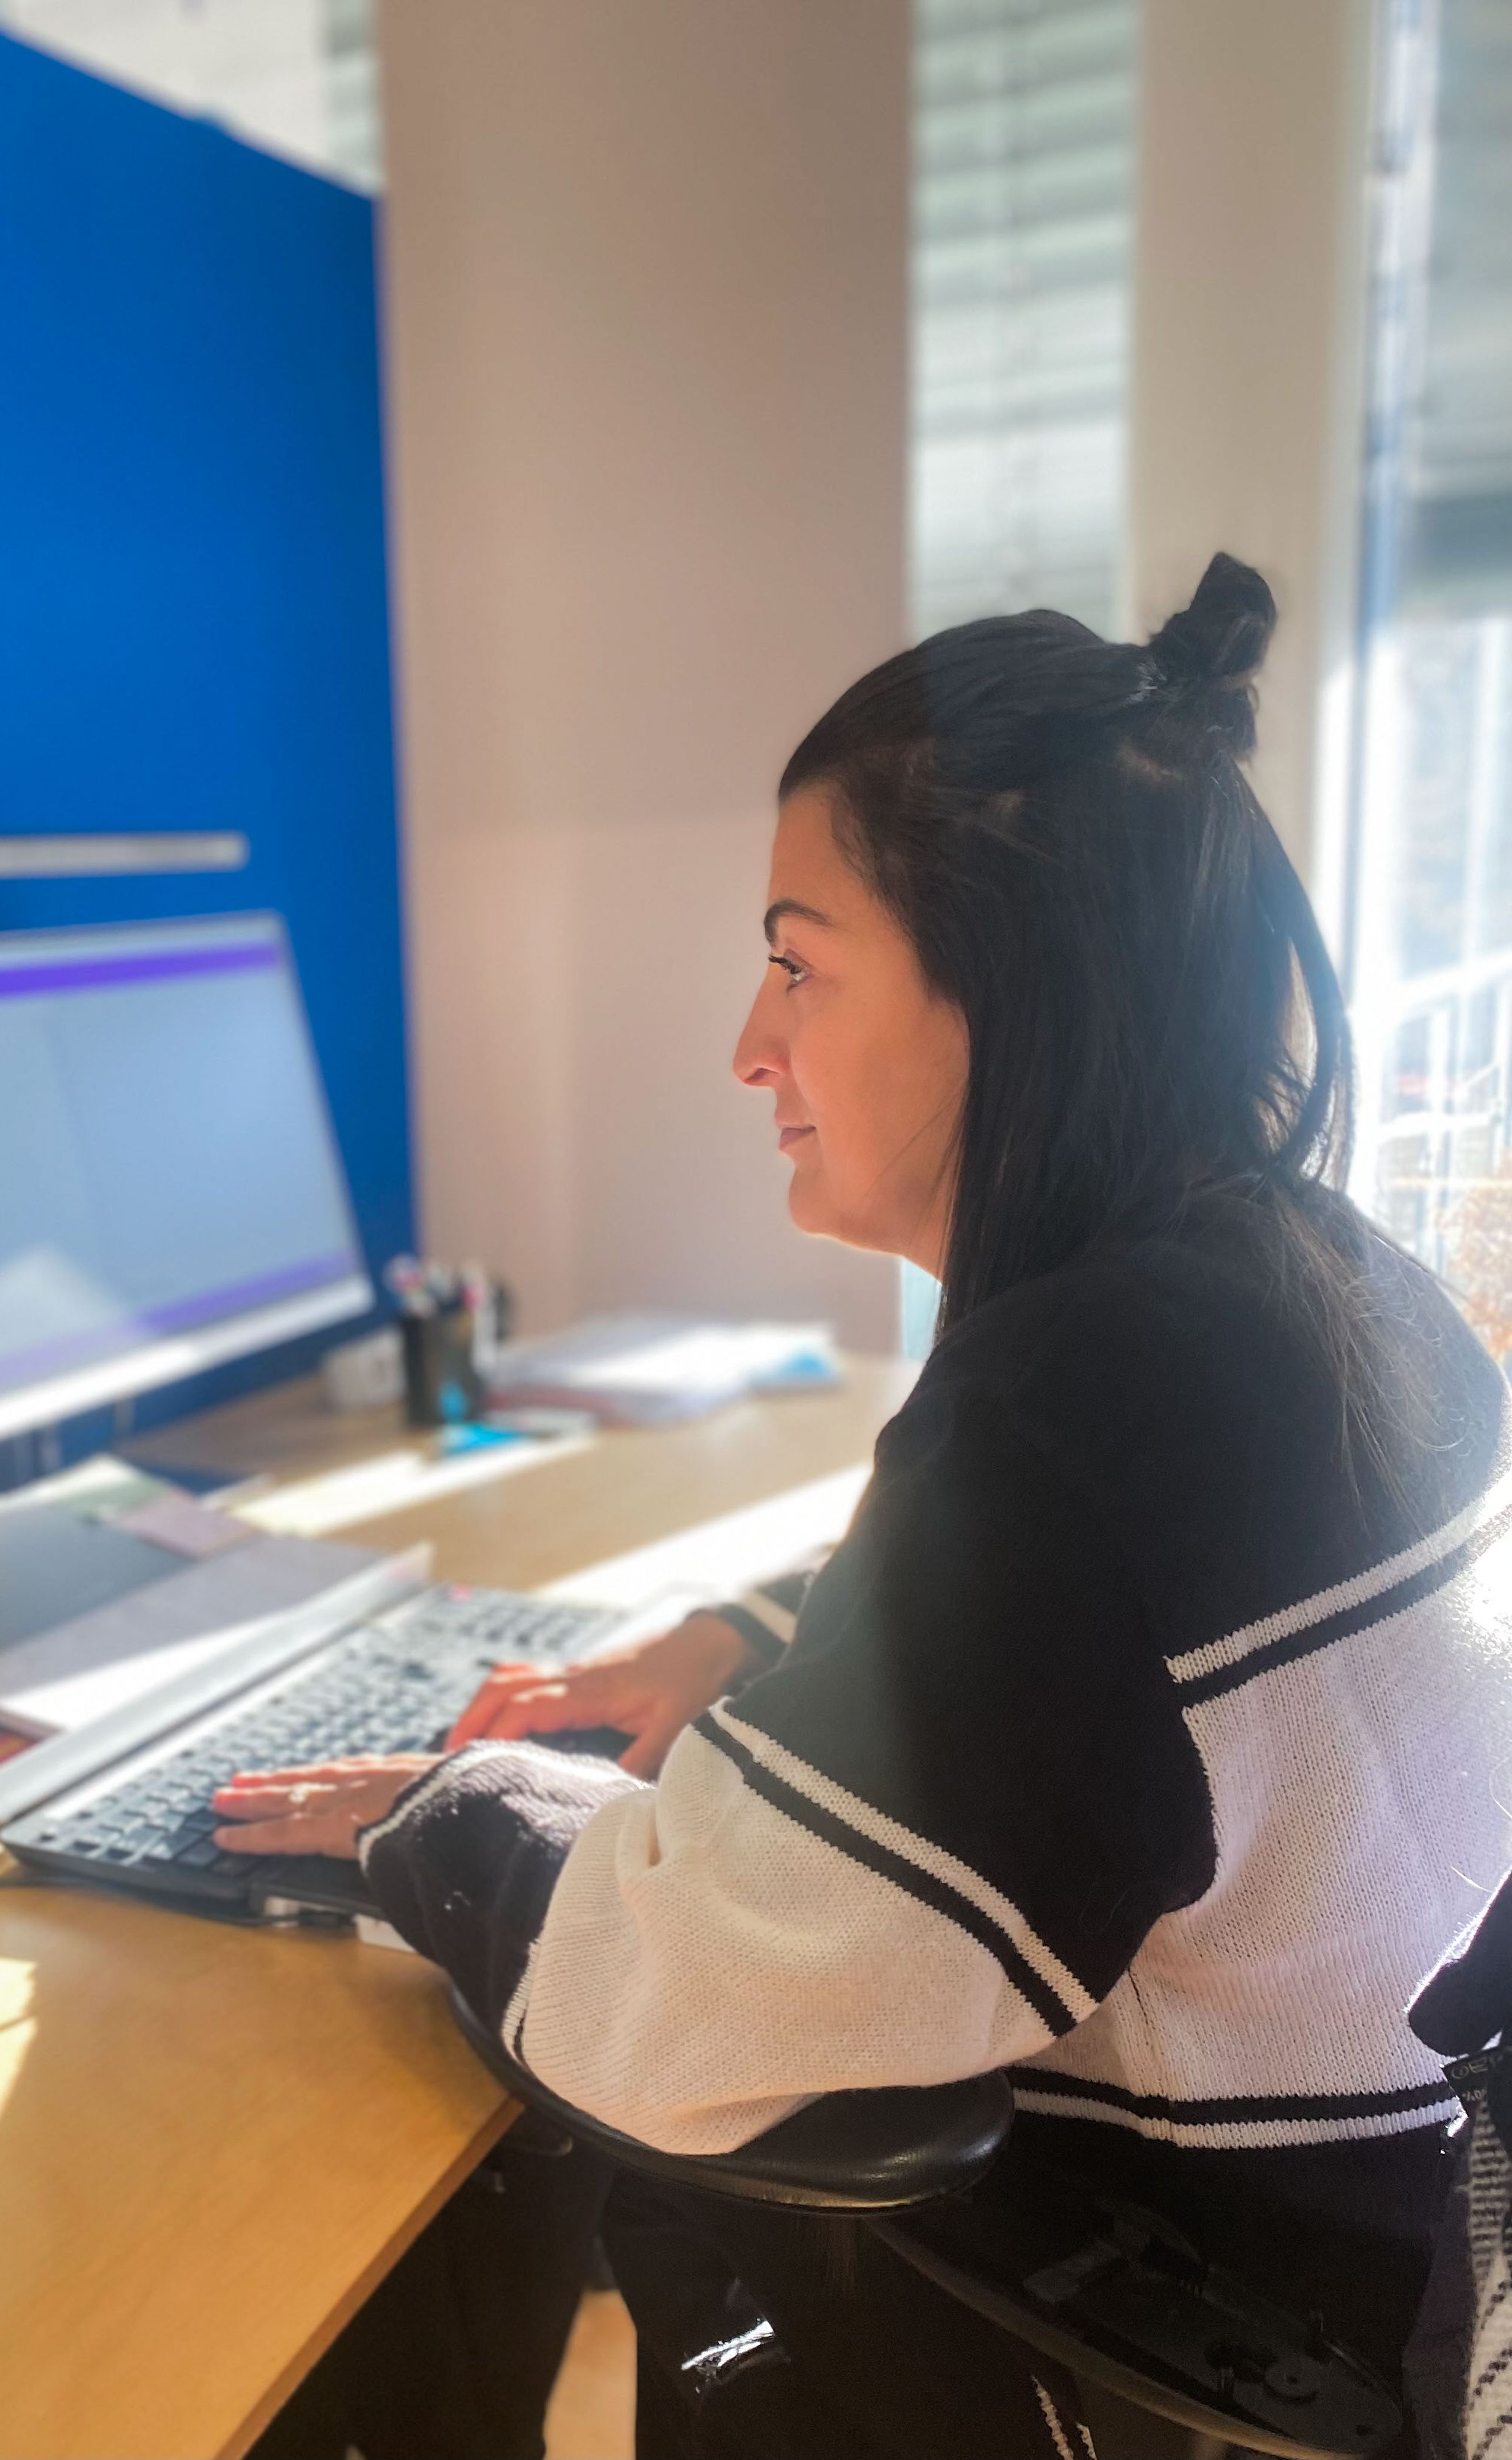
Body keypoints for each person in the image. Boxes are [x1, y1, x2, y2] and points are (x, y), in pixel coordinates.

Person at [214, 555, 1512, 2456]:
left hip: (1216, 2313)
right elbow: (1119, 1665)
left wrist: (447, 1811)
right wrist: (757, 1637)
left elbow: (685, 2012)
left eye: (800, 960)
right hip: (1410, 2240)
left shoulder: (1062, 1412)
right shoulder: (1320, 1282)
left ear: (1011, 992)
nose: (752, 1044)